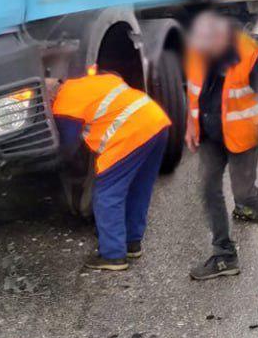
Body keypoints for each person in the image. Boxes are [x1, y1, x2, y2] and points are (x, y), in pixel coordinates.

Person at [185, 11, 258, 280]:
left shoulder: (249, 55)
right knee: (209, 187)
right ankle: (224, 254)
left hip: (241, 135)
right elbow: (193, 90)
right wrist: (191, 126)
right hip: (210, 132)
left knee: (243, 194)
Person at [51, 68, 171, 271]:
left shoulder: (63, 105)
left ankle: (113, 254)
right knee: (139, 188)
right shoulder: (91, 81)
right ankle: (132, 242)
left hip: (129, 134)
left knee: (107, 193)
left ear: (50, 97)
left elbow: (68, 147)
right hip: (157, 122)